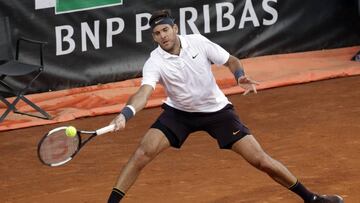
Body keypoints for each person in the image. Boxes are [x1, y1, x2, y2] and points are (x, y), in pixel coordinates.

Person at [107, 9, 343, 203]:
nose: (162, 36)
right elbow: (144, 92)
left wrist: (239, 76)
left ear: (175, 28)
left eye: (165, 30)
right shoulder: (155, 61)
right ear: (154, 37)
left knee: (260, 160)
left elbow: (231, 60)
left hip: (216, 112)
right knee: (141, 154)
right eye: (157, 33)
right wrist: (125, 115)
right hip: (179, 114)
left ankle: (312, 199)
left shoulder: (198, 43)